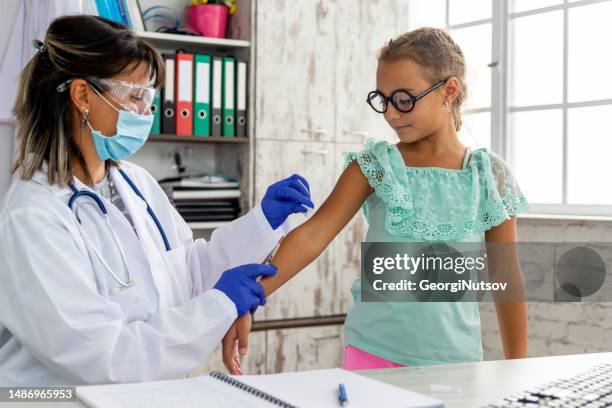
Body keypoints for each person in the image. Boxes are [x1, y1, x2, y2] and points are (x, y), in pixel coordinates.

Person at [0, 15, 314, 385]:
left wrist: (261, 221)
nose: (147, 113)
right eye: (136, 96)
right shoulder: (33, 216)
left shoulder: (134, 183)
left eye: (149, 98)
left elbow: (188, 274)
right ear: (83, 95)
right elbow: (105, 358)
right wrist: (219, 305)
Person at [222, 27, 529, 374]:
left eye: (404, 99)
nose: (391, 115)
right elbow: (313, 236)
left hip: (456, 363)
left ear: (449, 90)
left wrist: (517, 370)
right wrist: (249, 300)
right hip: (372, 355)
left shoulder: (489, 176)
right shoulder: (374, 166)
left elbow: (507, 274)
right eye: (383, 100)